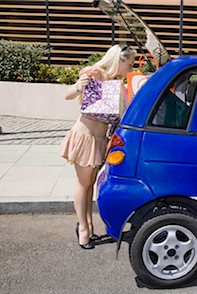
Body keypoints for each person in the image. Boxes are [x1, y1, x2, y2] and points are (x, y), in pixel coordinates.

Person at [60, 44, 135, 249]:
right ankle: (84, 230)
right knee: (84, 184)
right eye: (128, 63)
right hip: (85, 136)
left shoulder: (116, 83)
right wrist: (78, 87)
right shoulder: (94, 73)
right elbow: (68, 95)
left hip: (100, 139)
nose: (130, 68)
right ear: (119, 60)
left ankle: (88, 225)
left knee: (91, 184)